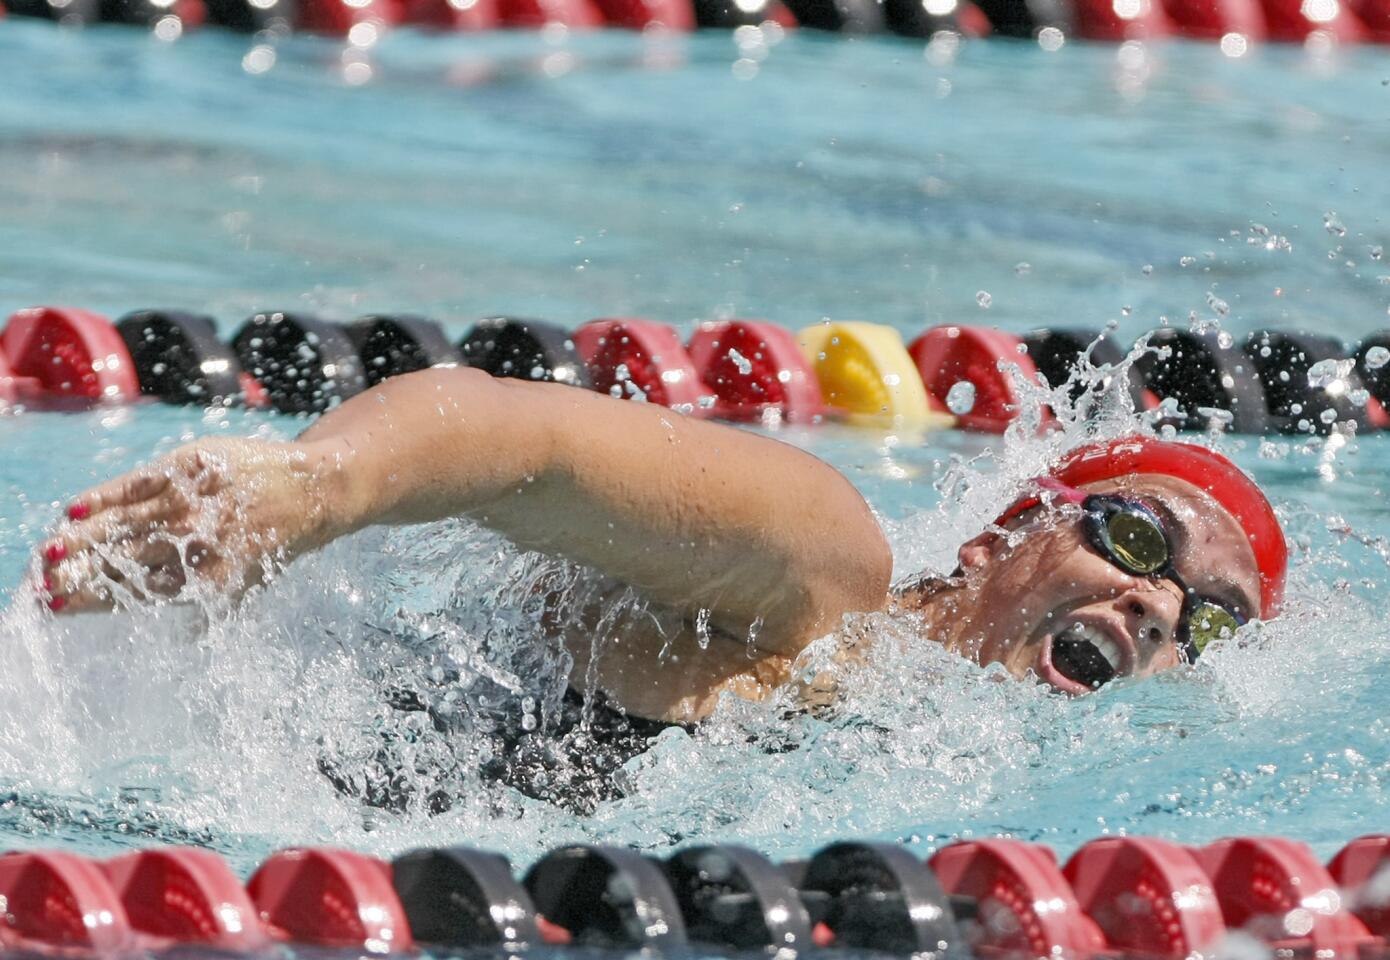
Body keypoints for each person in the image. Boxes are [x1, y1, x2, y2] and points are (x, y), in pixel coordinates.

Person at [33, 364, 1286, 740]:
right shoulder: (820, 579)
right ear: (1001, 535)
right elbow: (528, 438)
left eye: (1207, 618)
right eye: (1133, 537)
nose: (1155, 604)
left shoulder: (952, 763)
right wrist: (315, 490)